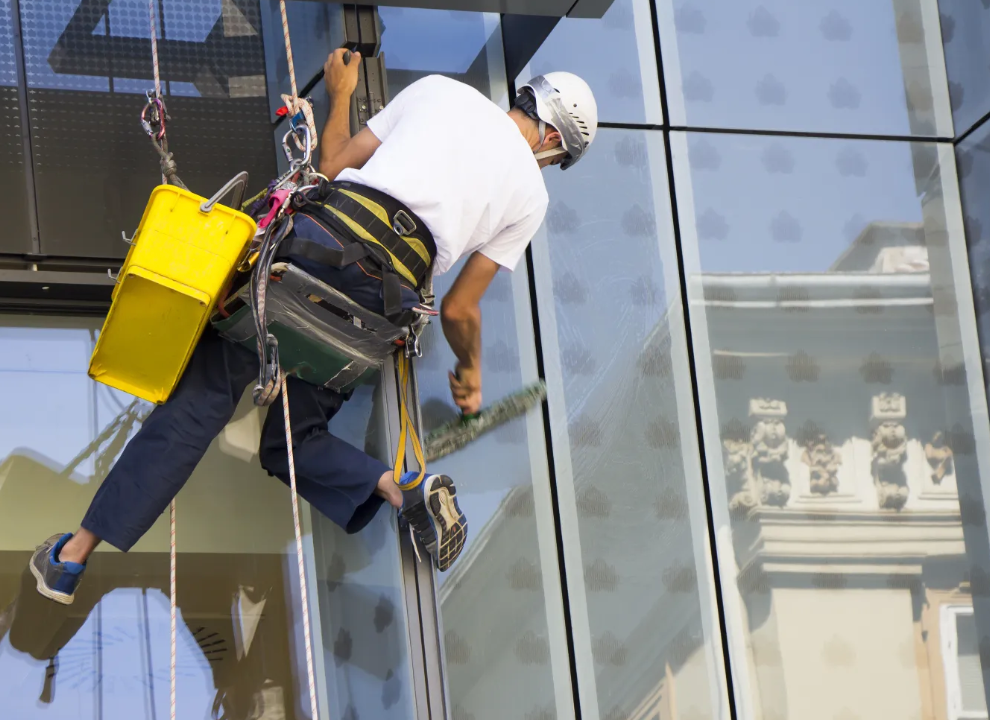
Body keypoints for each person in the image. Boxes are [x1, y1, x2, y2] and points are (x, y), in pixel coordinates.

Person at [29, 48, 599, 605]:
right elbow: (459, 310)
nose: (547, 164)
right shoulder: (530, 196)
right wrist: (470, 374)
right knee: (294, 442)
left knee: (200, 402)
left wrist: (342, 96)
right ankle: (403, 494)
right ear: (553, 139)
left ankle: (73, 555)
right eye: (556, 158)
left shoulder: (440, 92)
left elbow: (330, 168)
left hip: (310, 260)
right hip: (374, 315)